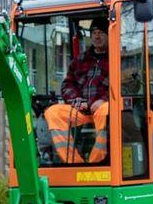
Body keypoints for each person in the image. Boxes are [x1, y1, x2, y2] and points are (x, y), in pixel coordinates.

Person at [43, 18, 110, 164]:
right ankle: (74, 163)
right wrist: (77, 101)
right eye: (94, 33)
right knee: (53, 112)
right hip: (82, 110)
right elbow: (67, 85)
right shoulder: (80, 59)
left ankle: (96, 162)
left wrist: (104, 100)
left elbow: (125, 85)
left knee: (106, 110)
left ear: (110, 34)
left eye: (101, 33)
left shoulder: (117, 59)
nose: (97, 37)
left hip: (104, 109)